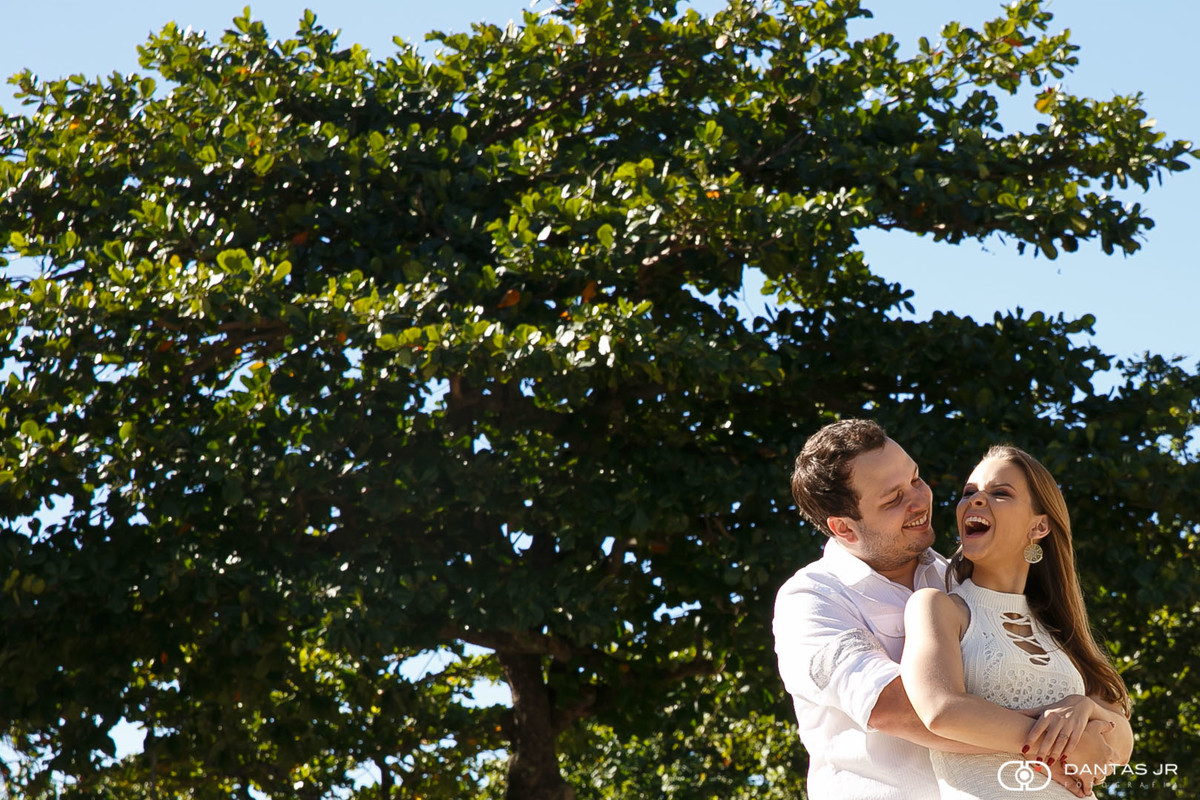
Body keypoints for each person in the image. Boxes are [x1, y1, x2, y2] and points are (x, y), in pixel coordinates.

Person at [773, 420, 1118, 800]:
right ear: (844, 528)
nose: (919, 500)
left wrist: (1080, 713)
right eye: (893, 499)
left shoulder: (966, 578)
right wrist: (1057, 745)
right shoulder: (812, 599)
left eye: (915, 479)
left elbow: (1096, 709)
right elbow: (897, 707)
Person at [900, 445, 1133, 798]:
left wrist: (1082, 707)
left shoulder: (1061, 629)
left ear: (1039, 526)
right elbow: (941, 711)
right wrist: (1065, 741)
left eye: (1001, 493)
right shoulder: (938, 607)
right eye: (969, 492)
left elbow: (1121, 747)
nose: (976, 500)